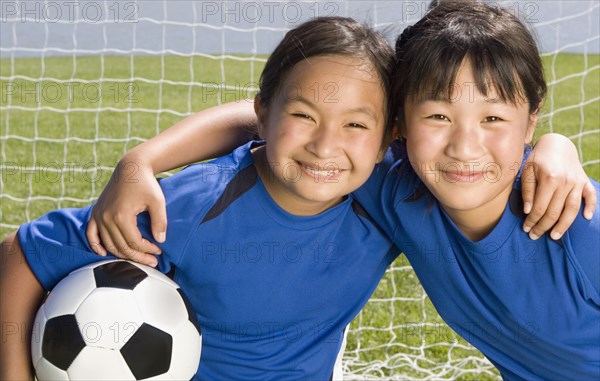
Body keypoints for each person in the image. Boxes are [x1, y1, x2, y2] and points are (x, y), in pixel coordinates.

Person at [82, 1, 599, 379]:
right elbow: (271, 120)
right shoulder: (395, 184)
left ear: (530, 123)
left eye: (493, 118)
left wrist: (559, 146)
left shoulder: (575, 220)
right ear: (399, 126)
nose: (464, 147)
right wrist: (141, 160)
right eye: (438, 116)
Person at [1, 17, 401, 380]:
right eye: (303, 116)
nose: (326, 145)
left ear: (390, 136)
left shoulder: (388, 201)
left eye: (355, 124)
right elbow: (20, 254)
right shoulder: (194, 206)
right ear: (262, 114)